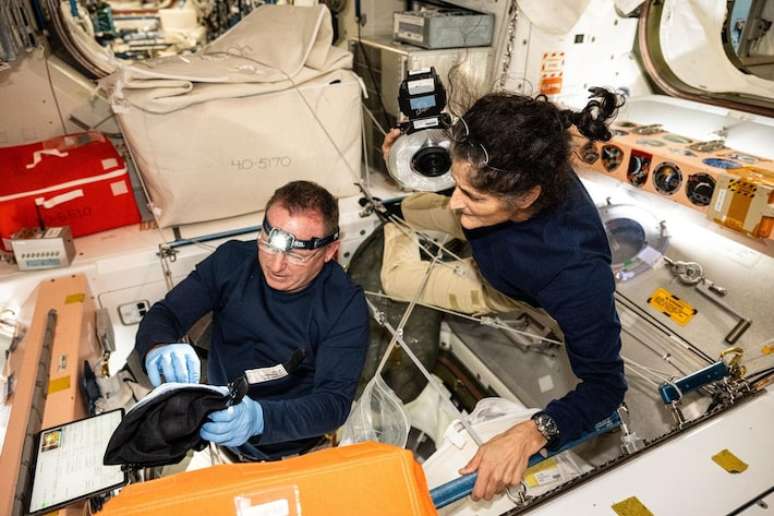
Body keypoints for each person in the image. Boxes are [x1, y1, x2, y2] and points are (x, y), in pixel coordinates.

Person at [381, 88, 628, 501]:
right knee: (408, 205)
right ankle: (393, 216)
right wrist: (404, 162)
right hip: (491, 233)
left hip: (504, 283)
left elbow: (606, 388)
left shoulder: (575, 277)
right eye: (457, 183)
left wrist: (530, 433)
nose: (455, 203)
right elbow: (459, 195)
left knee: (396, 277)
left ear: (527, 197)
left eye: (473, 195)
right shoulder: (514, 156)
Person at [134, 180, 369, 461]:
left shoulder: (343, 304)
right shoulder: (231, 261)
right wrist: (158, 345)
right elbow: (165, 314)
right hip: (218, 435)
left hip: (294, 450)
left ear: (330, 252)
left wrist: (261, 419)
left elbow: (333, 404)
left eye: (296, 254)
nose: (276, 265)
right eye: (269, 244)